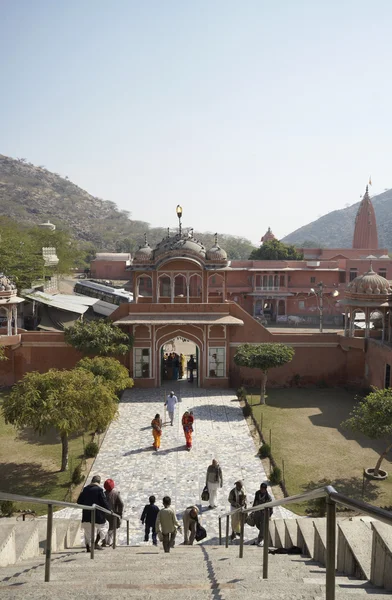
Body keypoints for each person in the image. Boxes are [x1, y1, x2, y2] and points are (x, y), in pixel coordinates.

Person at [77, 474, 110, 552]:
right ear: (99, 482)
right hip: (97, 516)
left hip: (86, 515)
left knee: (87, 531)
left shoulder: (85, 489)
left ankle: (88, 547)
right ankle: (95, 543)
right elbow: (104, 502)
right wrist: (109, 510)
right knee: (105, 526)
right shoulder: (99, 490)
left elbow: (79, 501)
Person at [103, 478, 124, 547]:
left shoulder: (103, 494)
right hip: (113, 515)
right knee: (112, 528)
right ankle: (110, 542)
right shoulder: (116, 494)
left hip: (105, 515)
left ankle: (106, 541)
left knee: (105, 528)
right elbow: (121, 504)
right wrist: (120, 513)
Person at [252, 482, 273, 547]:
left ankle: (260, 539)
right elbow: (255, 501)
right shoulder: (257, 493)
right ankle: (263, 533)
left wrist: (269, 516)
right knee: (257, 524)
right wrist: (253, 510)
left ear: (265, 489)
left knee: (262, 526)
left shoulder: (268, 498)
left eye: (262, 489)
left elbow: (271, 508)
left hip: (264, 514)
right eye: (260, 488)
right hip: (257, 512)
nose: (261, 490)